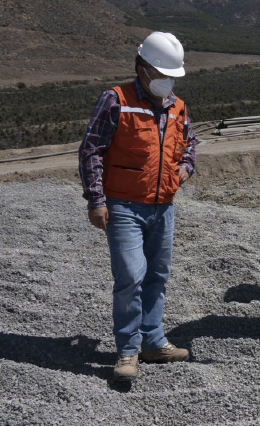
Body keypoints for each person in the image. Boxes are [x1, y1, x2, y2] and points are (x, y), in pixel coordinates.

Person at [78, 31, 197, 382]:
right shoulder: (115, 100)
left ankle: (153, 342)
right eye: (162, 73)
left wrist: (185, 168)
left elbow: (189, 142)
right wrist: (96, 200)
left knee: (157, 275)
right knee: (131, 276)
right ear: (142, 67)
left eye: (172, 75)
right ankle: (128, 349)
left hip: (164, 207)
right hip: (123, 206)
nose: (168, 80)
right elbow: (91, 149)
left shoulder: (177, 106)